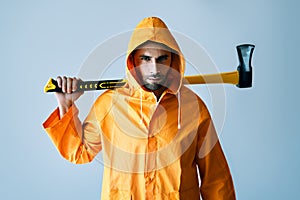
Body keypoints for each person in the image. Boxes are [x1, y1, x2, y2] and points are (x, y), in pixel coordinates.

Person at [43, 16, 236, 199]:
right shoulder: (109, 104)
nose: (154, 69)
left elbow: (216, 179)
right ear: (133, 60)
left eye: (162, 59)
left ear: (173, 61)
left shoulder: (194, 108)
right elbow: (79, 152)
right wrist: (65, 105)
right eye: (145, 58)